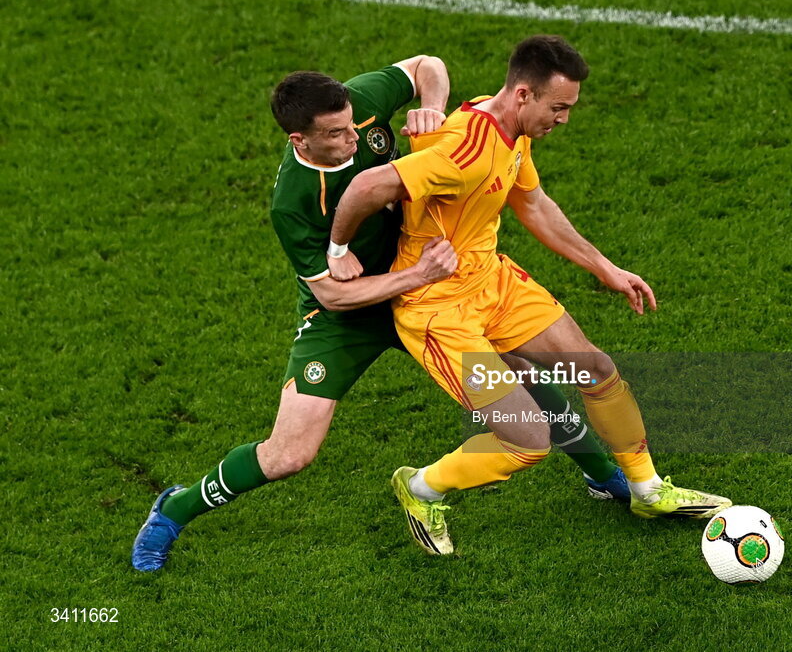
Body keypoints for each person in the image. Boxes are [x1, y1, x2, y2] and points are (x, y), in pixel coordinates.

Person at [131, 56, 627, 572]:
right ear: (300, 140)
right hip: (356, 313)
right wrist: (415, 277)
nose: (356, 135)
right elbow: (334, 297)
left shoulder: (356, 103)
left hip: (436, 293)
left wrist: (431, 110)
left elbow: (425, 66)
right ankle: (173, 510)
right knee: (289, 454)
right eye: (338, 134)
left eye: (353, 124)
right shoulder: (294, 204)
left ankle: (600, 472)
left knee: (521, 374)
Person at [325, 36, 732, 555]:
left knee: (597, 370)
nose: (563, 118)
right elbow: (367, 187)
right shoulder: (464, 150)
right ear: (523, 94)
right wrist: (338, 250)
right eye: (558, 107)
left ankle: (648, 490)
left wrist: (605, 268)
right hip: (438, 309)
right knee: (527, 441)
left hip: (490, 279)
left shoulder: (512, 130)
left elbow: (533, 204)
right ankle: (420, 486)